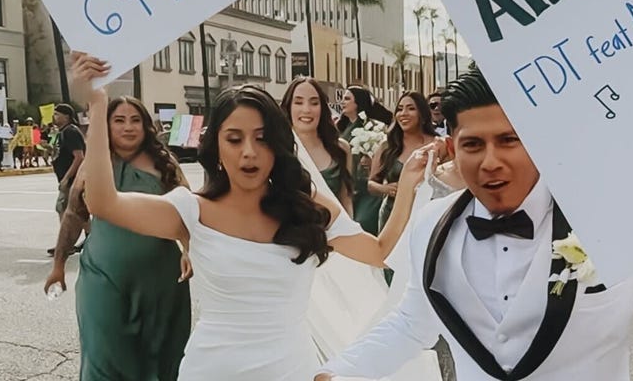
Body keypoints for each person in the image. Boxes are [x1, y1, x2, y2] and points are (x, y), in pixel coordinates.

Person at [316, 67, 633, 381]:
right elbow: (412, 323)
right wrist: (338, 372)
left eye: (509, 140)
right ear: (452, 147)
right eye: (473, 144)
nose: (490, 161)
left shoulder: (608, 220)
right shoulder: (432, 226)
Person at [70, 52, 427, 380]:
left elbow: (379, 251)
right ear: (217, 147)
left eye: (261, 138)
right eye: (235, 139)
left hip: (290, 370)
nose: (249, 153)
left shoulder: (307, 207)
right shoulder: (192, 211)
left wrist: (409, 183)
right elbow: (103, 202)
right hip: (211, 370)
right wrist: (98, 107)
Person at [44, 96, 192, 380]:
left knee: (160, 358)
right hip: (102, 277)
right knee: (103, 356)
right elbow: (74, 214)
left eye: (135, 120)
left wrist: (188, 250)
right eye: (119, 120)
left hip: (160, 282)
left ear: (146, 125)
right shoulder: (94, 165)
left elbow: (187, 214)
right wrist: (58, 266)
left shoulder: (164, 163)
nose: (128, 127)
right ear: (106, 126)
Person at [282, 77, 354, 215]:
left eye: (314, 103)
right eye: (298, 102)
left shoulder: (341, 149)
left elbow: (346, 201)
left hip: (335, 232)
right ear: (289, 107)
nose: (306, 109)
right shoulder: (278, 150)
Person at [369, 92, 438, 233]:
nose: (403, 113)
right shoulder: (387, 146)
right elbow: (371, 184)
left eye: (411, 108)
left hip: (425, 215)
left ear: (423, 114)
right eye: (400, 109)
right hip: (391, 215)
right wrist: (385, 188)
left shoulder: (437, 145)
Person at [337, 86, 390, 234]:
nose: (342, 102)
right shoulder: (342, 127)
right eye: (343, 98)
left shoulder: (374, 127)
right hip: (348, 182)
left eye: (347, 99)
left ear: (358, 103)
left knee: (363, 224)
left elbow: (385, 152)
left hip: (367, 186)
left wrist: (372, 160)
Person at [48, 103, 86, 256]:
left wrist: (66, 178)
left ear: (67, 116)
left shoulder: (70, 131)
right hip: (72, 179)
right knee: (80, 211)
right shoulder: (63, 132)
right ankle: (91, 238)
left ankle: (65, 244)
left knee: (63, 209)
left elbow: (79, 157)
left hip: (73, 180)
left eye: (58, 114)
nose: (54, 117)